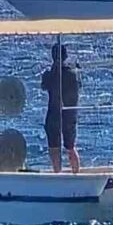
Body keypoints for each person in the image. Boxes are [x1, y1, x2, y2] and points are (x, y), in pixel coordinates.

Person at [40, 42, 81, 173]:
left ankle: (57, 172)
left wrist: (53, 70)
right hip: (70, 113)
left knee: (54, 148)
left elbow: (44, 85)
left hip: (54, 112)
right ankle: (76, 172)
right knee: (71, 146)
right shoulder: (73, 74)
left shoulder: (51, 74)